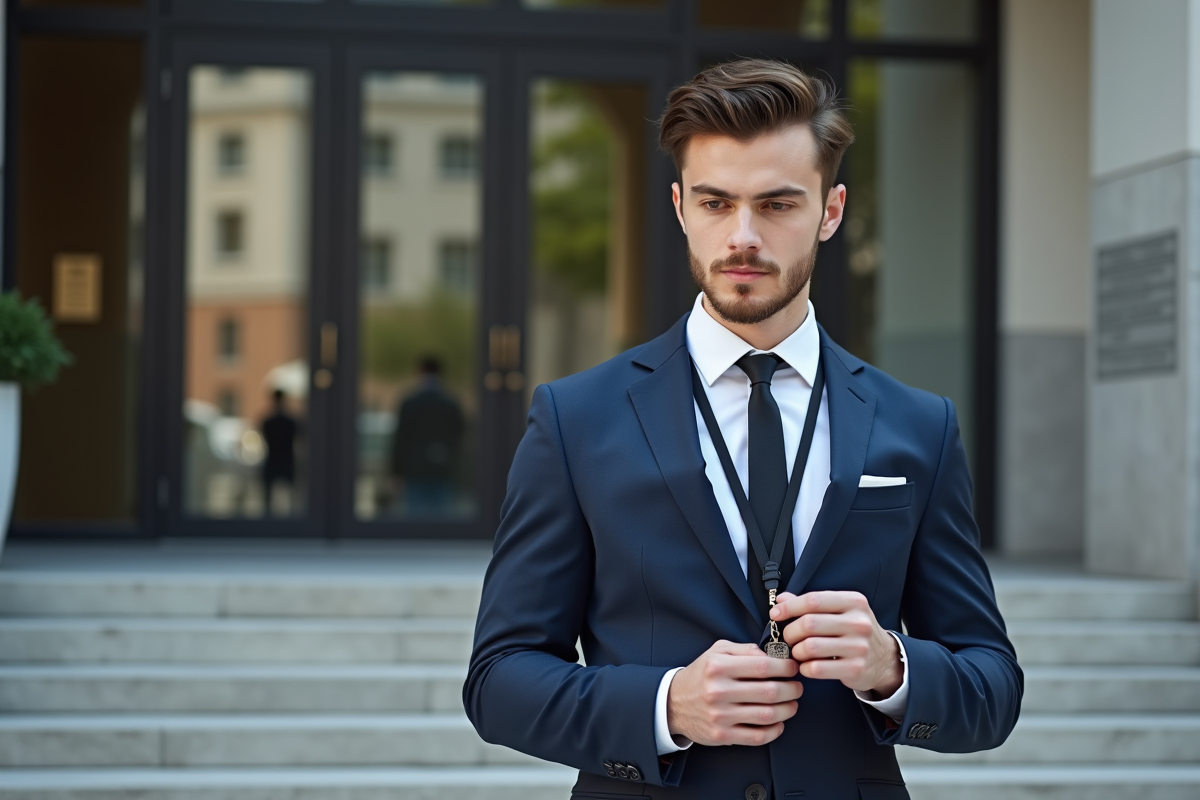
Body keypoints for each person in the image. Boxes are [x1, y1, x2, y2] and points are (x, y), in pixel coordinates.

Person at [464, 59, 1022, 800]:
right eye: (716, 203)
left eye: (779, 205)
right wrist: (666, 706)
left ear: (831, 211)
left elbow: (992, 689)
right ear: (679, 208)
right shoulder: (575, 418)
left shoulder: (921, 424)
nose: (744, 237)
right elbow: (499, 680)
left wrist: (893, 666)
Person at [389, 356, 465, 516]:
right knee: (443, 519)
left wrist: (395, 471)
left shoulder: (410, 403)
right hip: (443, 467)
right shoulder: (451, 403)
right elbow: (460, 434)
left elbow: (401, 439)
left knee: (415, 520)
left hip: (415, 469)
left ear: (419, 372)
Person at [259, 388, 298, 517]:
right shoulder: (291, 422)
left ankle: (268, 517)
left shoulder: (268, 422)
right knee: (290, 495)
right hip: (285, 459)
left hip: (274, 459)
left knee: (268, 497)